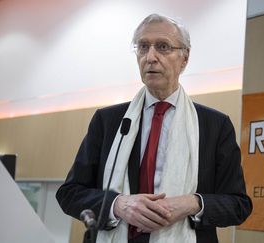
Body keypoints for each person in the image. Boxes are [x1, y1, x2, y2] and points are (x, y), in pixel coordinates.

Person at [56, 13, 252, 243]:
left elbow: (238, 205)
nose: (150, 57)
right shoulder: (109, 121)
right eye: (143, 47)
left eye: (163, 47)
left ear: (184, 59)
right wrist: (118, 204)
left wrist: (192, 203)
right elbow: (69, 194)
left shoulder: (214, 125)